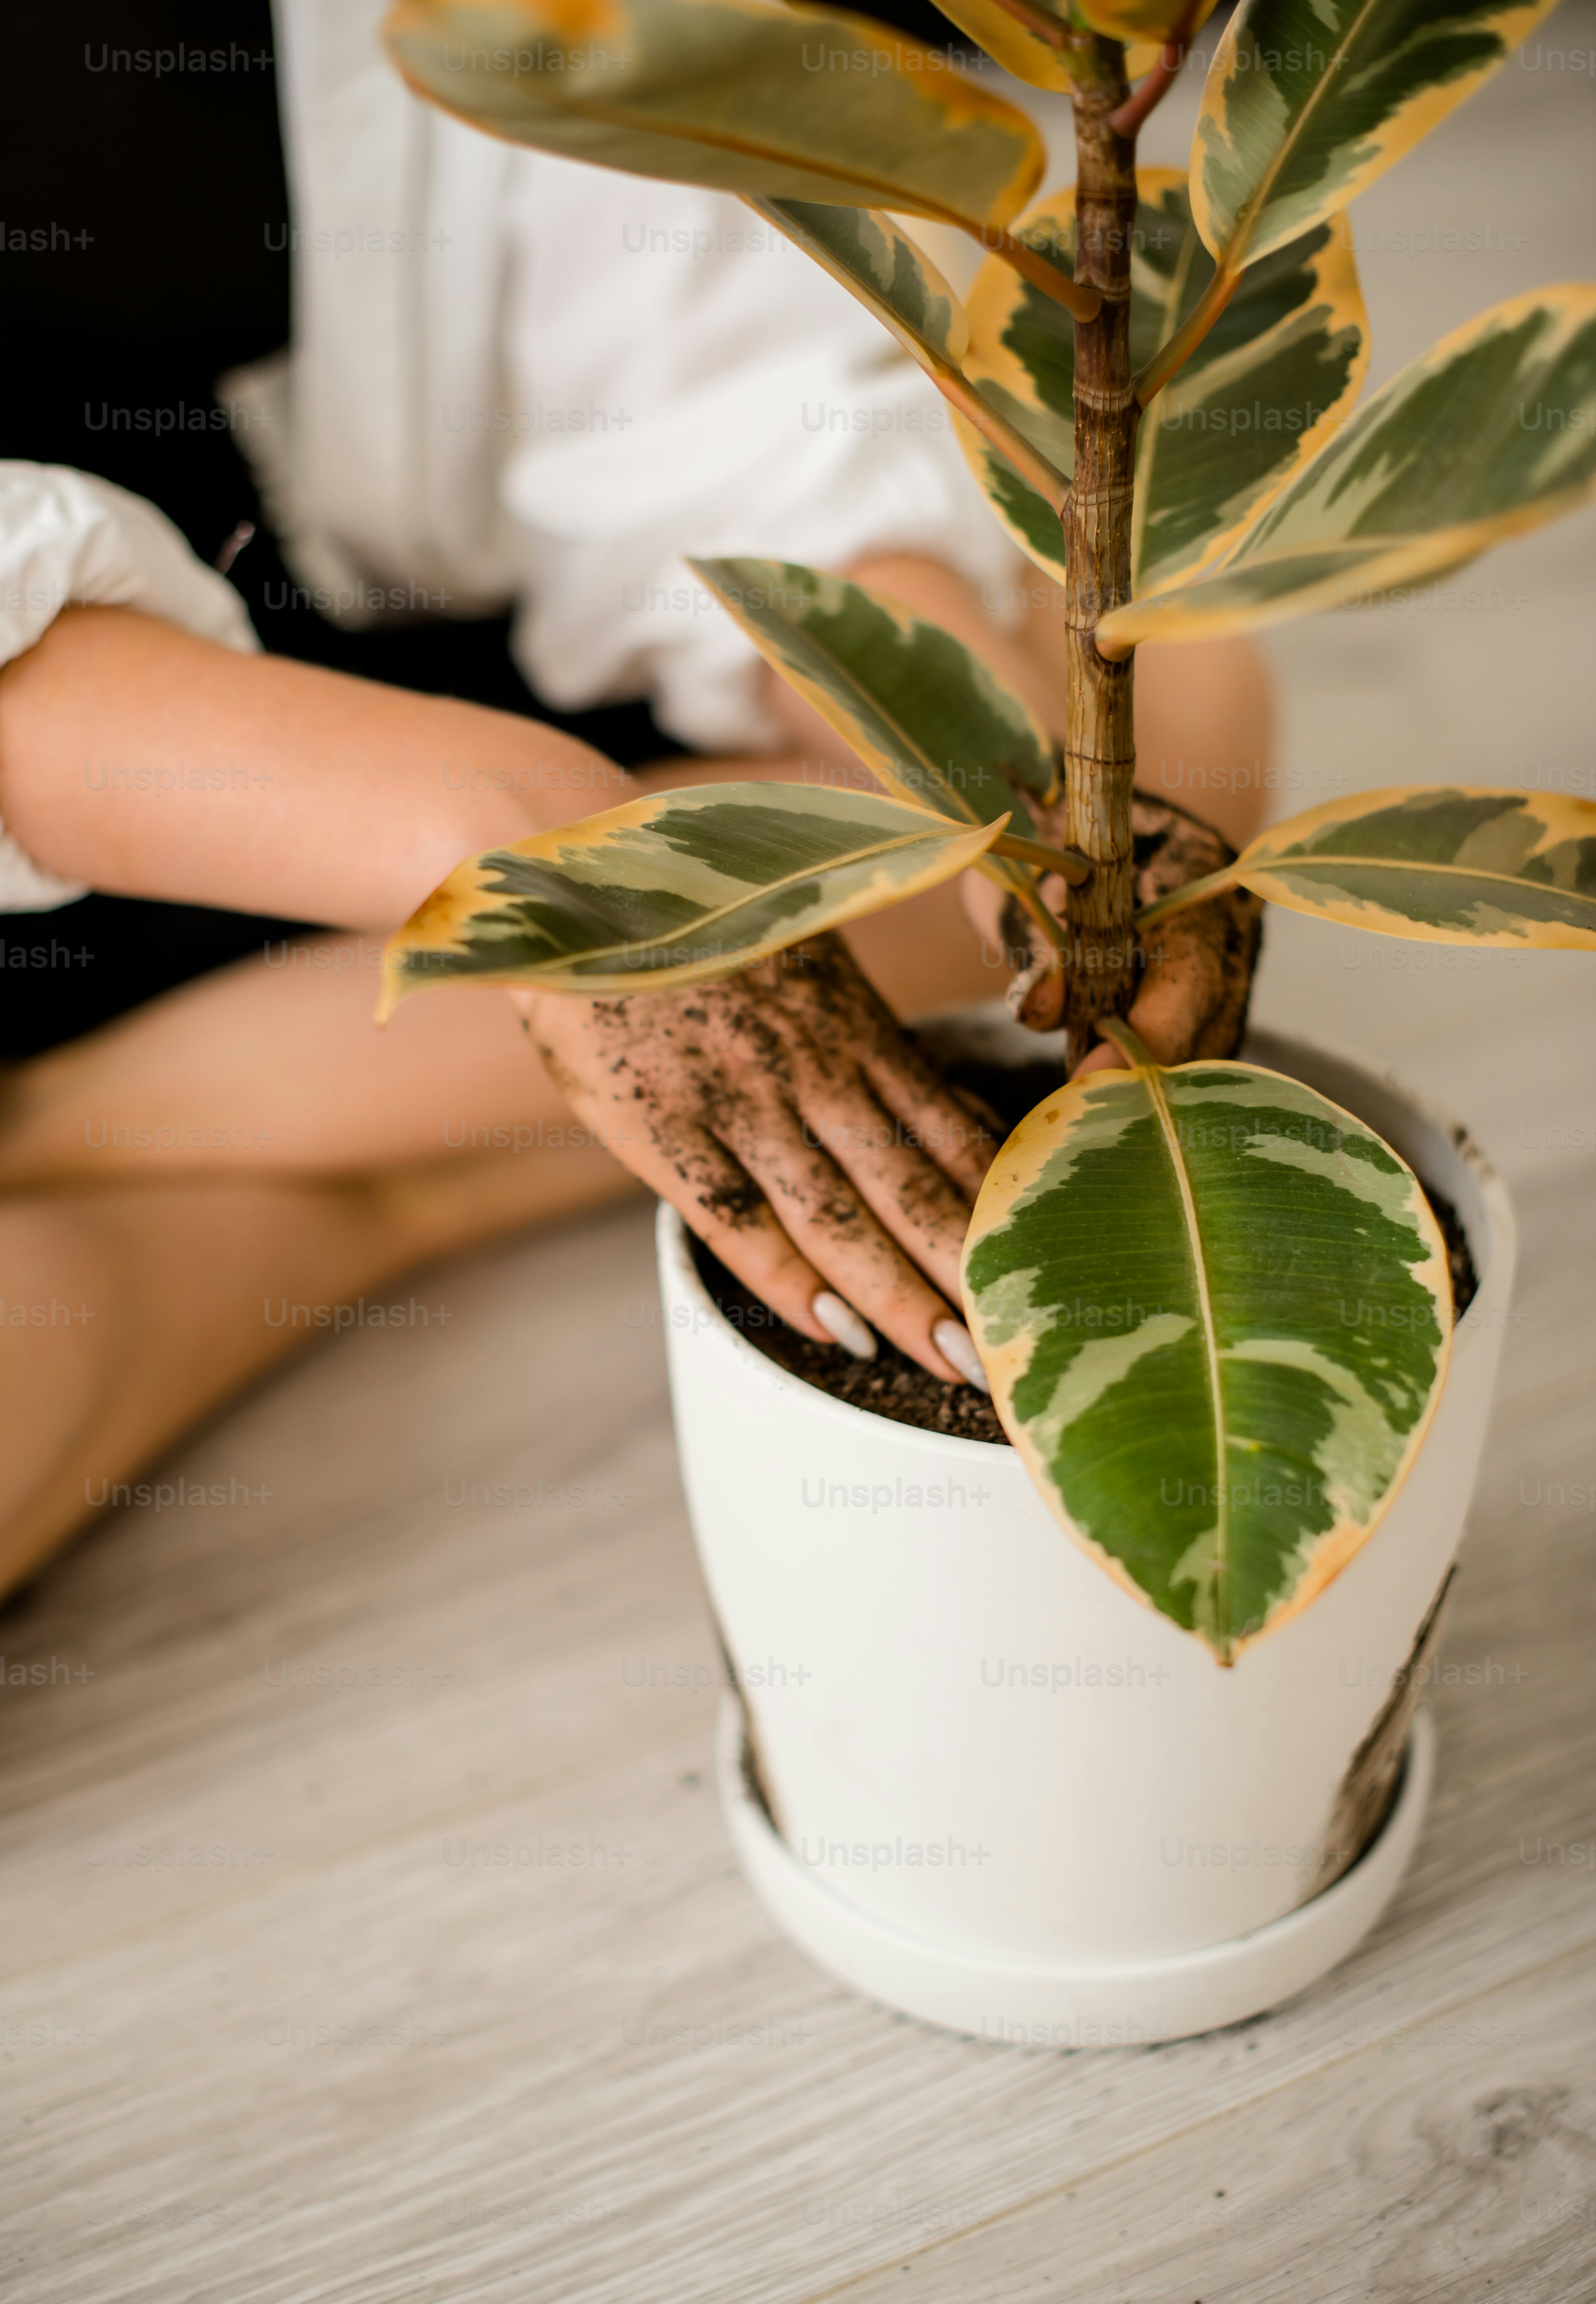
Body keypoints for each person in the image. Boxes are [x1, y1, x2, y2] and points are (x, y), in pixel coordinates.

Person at [0, 0, 1270, 1594]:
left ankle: (338, 1200)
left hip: (394, 673)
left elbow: (705, 375)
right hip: (119, 777)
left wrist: (999, 800)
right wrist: (530, 838)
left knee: (1183, 712)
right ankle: (119, 1140)